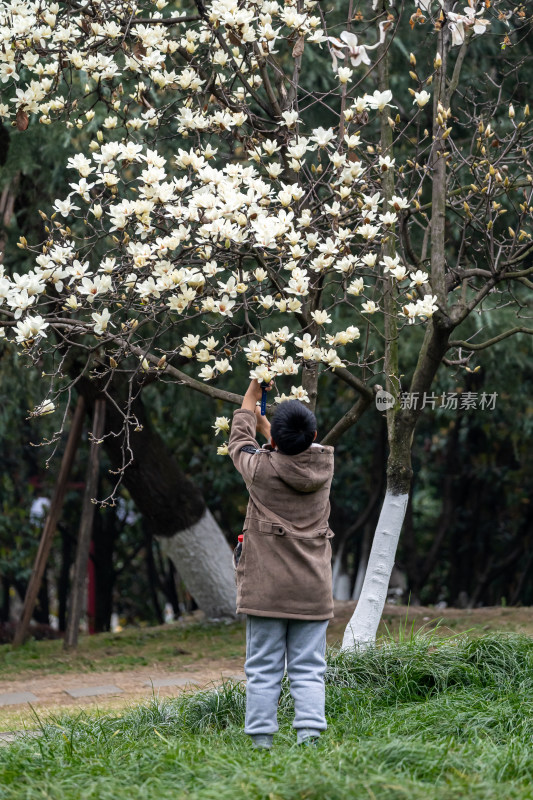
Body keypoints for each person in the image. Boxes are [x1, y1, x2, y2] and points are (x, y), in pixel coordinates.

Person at [228, 379, 335, 750]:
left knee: (263, 668)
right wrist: (270, 430)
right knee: (309, 669)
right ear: (315, 434)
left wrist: (250, 401)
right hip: (312, 589)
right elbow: (298, 450)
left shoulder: (259, 471)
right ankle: (309, 737)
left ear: (274, 442)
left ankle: (261, 740)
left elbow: (238, 444)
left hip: (267, 590)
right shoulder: (324, 467)